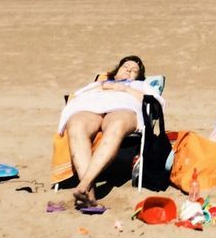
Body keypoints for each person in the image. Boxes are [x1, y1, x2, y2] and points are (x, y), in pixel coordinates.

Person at [59, 55, 153, 207]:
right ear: (116, 71)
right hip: (91, 108)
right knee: (76, 125)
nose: (129, 70)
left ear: (138, 77)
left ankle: (84, 185)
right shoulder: (99, 83)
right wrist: (102, 87)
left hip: (123, 108)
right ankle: (88, 192)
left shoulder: (139, 86)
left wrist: (125, 89)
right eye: (125, 67)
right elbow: (77, 96)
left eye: (134, 70)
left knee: (116, 125)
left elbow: (153, 101)